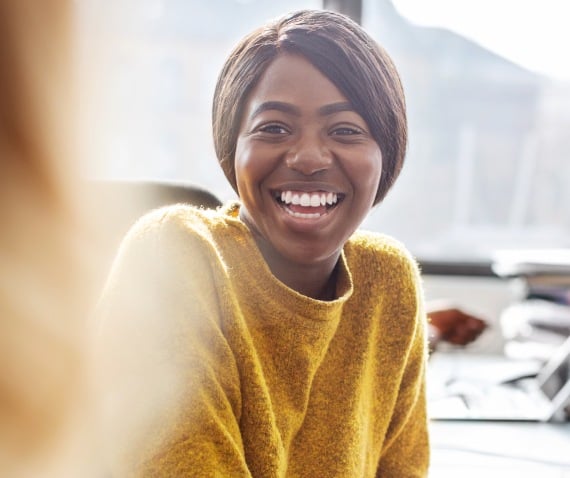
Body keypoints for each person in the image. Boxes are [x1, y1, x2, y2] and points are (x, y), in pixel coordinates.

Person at [95, 9, 429, 477]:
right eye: (273, 127)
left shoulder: (387, 282)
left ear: (386, 153)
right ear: (233, 148)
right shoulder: (173, 256)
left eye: (346, 131)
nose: (308, 157)